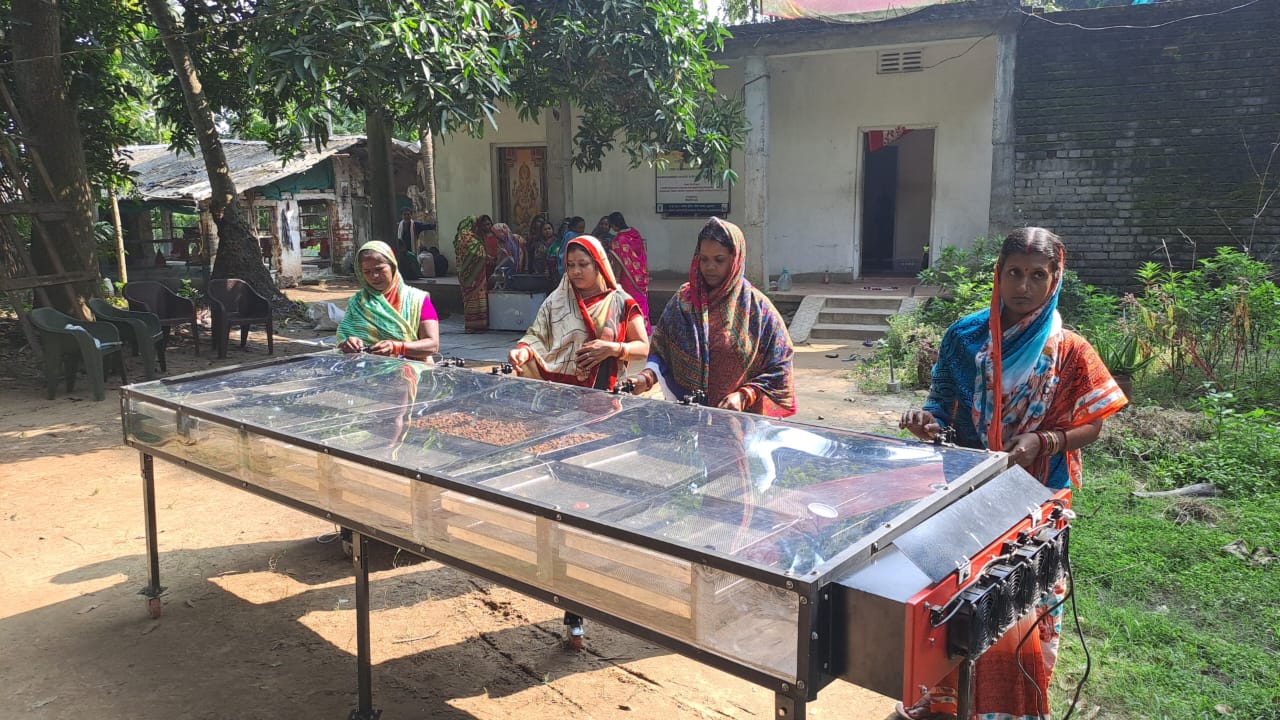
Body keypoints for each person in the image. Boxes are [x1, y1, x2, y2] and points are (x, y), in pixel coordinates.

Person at [895, 227, 1128, 720]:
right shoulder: (964, 336)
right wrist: (927, 418)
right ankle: (943, 703)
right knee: (958, 598)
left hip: (1039, 494)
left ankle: (1013, 706)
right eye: (1014, 273)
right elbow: (941, 402)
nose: (1024, 286)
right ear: (998, 275)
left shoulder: (1069, 351)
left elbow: (1092, 425)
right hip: (967, 488)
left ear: (1055, 278)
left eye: (1037, 275)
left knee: (1018, 596)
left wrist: (1045, 441)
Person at [507, 234, 650, 648]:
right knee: (562, 497)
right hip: (556, 410)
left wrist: (612, 347)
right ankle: (573, 610)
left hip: (604, 413)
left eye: (583, 264)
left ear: (600, 265)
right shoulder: (556, 301)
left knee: (598, 498)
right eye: (570, 265)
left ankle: (599, 580)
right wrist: (522, 352)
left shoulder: (622, 303)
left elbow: (643, 346)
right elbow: (534, 337)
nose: (575, 272)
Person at [626, 217, 795, 416]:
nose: (709, 267)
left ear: (735, 259)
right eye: (704, 259)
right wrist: (646, 377)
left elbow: (781, 364)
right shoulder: (683, 301)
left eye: (719, 260)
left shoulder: (757, 310)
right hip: (687, 423)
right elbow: (662, 350)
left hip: (738, 423)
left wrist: (745, 395)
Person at [337, 241, 440, 359]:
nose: (374, 276)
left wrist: (397, 347)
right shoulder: (357, 302)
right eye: (367, 272)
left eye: (379, 269)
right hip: (368, 372)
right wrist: (348, 343)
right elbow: (343, 338)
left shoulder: (417, 300)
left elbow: (432, 345)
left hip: (413, 372)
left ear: (392, 267)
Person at [608, 211, 650, 333]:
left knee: (629, 303)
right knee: (640, 301)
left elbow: (618, 264)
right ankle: (644, 329)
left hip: (627, 278)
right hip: (640, 275)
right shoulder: (635, 233)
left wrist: (615, 281)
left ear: (614, 225)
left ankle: (632, 331)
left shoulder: (618, 240)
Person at [453, 216, 489, 333]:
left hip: (462, 272)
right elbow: (479, 253)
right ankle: (478, 324)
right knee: (477, 297)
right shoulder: (470, 238)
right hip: (475, 273)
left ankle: (470, 324)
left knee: (468, 298)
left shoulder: (458, 238)